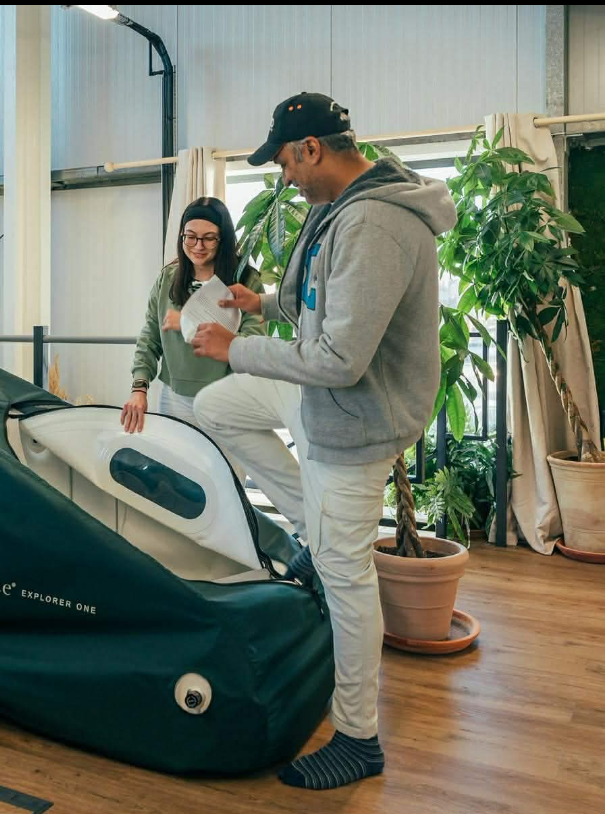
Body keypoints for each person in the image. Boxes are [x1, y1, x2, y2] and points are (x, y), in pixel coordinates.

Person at [190, 92, 456, 790]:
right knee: (219, 408)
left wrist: (234, 347)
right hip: (322, 399)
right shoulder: (338, 209)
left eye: (284, 162)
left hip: (353, 419)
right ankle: (316, 529)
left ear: (312, 148)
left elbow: (341, 357)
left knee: (347, 578)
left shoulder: (374, 223)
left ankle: (359, 737)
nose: (284, 178)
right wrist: (264, 306)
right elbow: (319, 293)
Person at [121, 197, 264, 445]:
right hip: (173, 399)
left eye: (209, 238)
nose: (198, 245)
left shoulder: (245, 280)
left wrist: (187, 323)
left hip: (227, 398)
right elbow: (149, 338)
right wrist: (139, 388)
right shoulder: (168, 278)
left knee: (223, 478)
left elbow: (252, 344)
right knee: (178, 476)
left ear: (224, 239)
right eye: (190, 236)